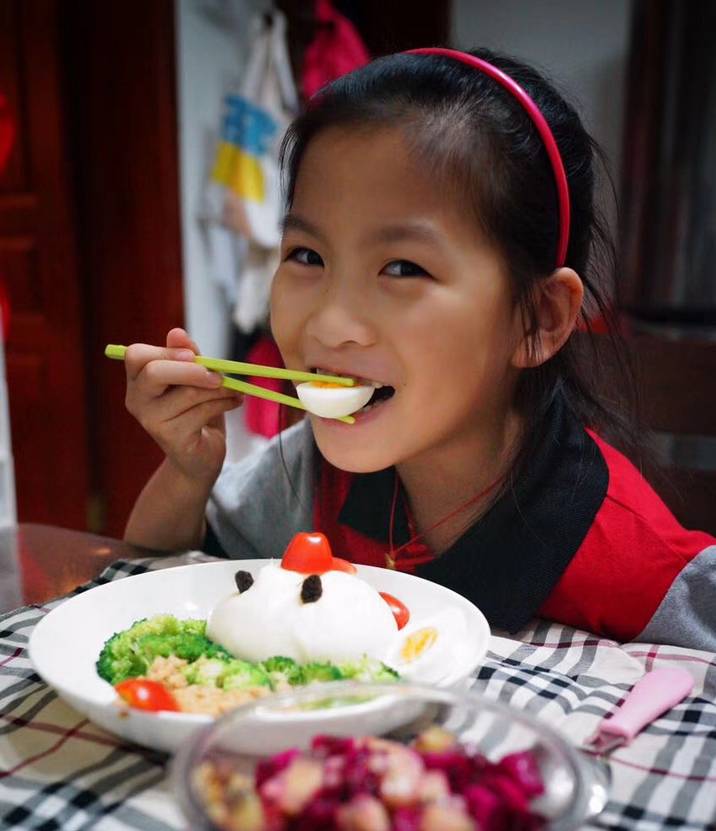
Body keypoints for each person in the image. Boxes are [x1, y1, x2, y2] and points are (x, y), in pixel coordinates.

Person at [123, 48, 715, 651]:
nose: (329, 325)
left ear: (539, 318)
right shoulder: (310, 473)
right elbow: (151, 579)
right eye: (307, 256)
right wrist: (187, 473)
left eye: (402, 268)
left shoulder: (618, 543)